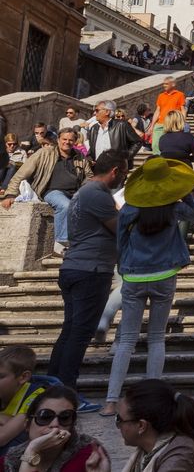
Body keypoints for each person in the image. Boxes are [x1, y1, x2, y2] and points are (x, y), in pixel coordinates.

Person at [99, 158, 194, 417]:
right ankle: (153, 399)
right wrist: (184, 192)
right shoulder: (174, 208)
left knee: (126, 340)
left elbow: (120, 242)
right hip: (165, 274)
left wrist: (123, 267)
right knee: (156, 338)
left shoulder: (130, 209)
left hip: (134, 276)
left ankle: (111, 401)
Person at [46, 150, 127, 396]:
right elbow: (120, 229)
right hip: (90, 270)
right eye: (124, 172)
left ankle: (54, 386)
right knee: (80, 333)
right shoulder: (97, 195)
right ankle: (66, 391)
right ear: (115, 171)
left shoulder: (85, 191)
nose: (124, 177)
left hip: (76, 266)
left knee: (71, 330)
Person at [1, 128, 91, 253]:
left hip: (75, 193)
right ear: (58, 140)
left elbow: (89, 176)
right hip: (52, 191)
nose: (67, 142)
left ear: (75, 141)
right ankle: (61, 244)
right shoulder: (44, 153)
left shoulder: (79, 156)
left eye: (71, 140)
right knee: (65, 205)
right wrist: (10, 194)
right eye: (64, 139)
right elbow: (22, 173)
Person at [112, 380, 194, 472]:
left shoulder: (180, 454)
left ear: (141, 426)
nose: (118, 425)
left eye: (119, 419)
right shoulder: (147, 452)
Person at [2, 385, 109, 472]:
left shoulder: (89, 456)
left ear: (72, 425)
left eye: (65, 417)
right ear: (27, 425)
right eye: (45, 416)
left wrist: (31, 451)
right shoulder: (9, 462)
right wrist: (32, 451)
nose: (55, 424)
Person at [84, 101, 141, 169]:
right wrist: (90, 159)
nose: (94, 113)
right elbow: (92, 148)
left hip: (117, 168)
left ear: (107, 112)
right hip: (98, 168)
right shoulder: (94, 128)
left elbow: (137, 141)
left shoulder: (122, 125)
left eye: (97, 110)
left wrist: (126, 157)